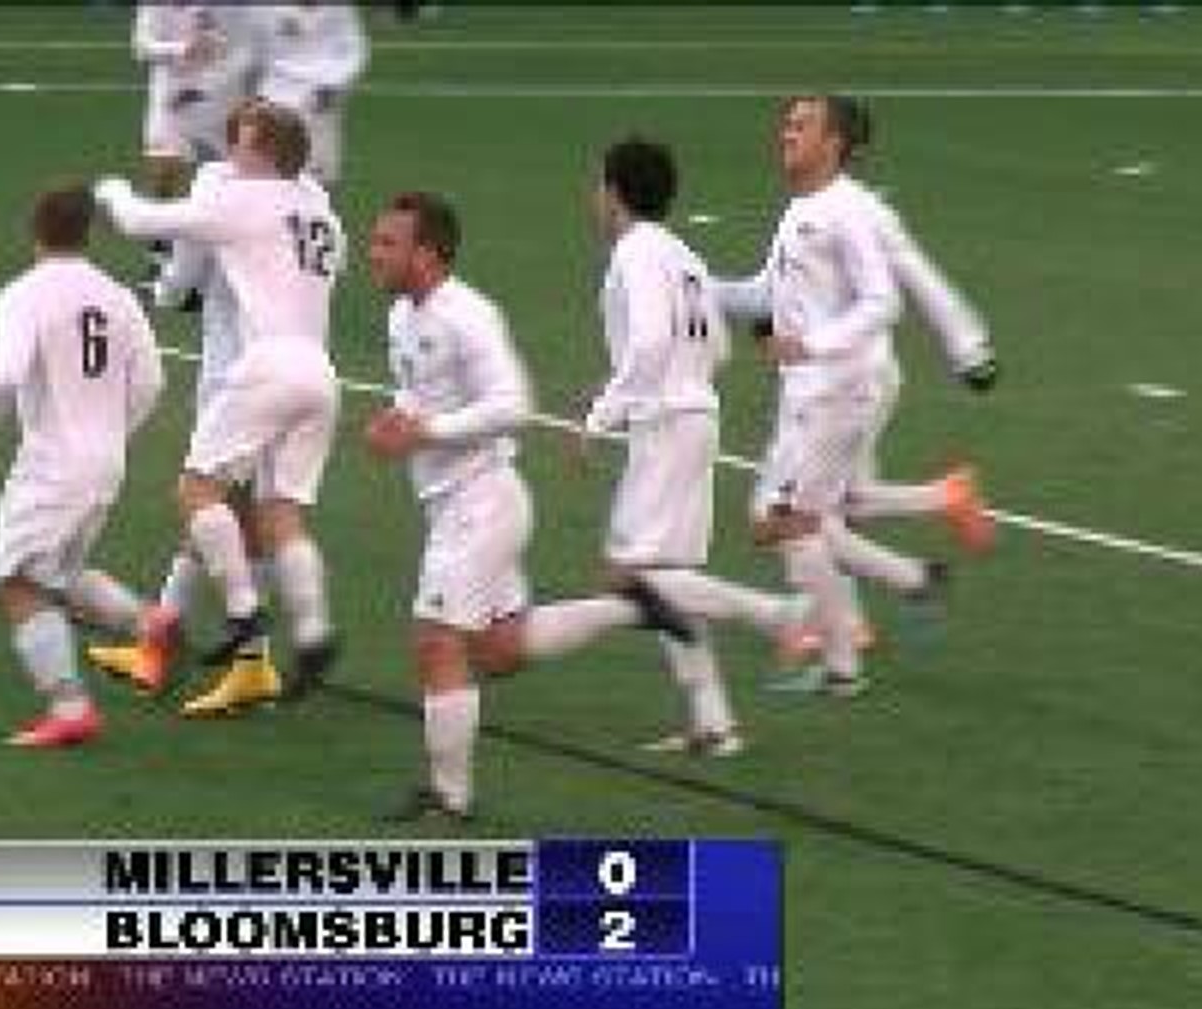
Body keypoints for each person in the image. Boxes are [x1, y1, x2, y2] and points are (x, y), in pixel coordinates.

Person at [363, 190, 694, 821]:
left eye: (387, 243)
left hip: (481, 502)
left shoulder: (469, 315)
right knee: (495, 650)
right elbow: (421, 401)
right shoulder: (401, 318)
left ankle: (449, 796)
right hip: (452, 504)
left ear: (428, 254)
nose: (372, 253)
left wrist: (425, 432)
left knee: (436, 644)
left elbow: (515, 403)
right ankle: (629, 608)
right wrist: (396, 425)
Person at [720, 96, 995, 682]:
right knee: (823, 511)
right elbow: (765, 293)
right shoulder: (801, 209)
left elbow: (893, 292)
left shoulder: (850, 211)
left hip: (841, 386)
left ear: (836, 143)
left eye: (802, 125)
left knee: (789, 518)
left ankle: (838, 640)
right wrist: (698, 288)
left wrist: (969, 348)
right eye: (786, 123)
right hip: (824, 387)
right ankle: (910, 580)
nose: (786, 132)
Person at [94, 100, 343, 716]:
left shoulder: (238, 195)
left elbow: (144, 227)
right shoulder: (323, 213)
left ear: (265, 154)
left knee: (197, 495)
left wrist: (111, 188)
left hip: (256, 370)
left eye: (244, 142)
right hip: (320, 372)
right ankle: (310, 633)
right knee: (276, 514)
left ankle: (244, 622)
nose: (232, 151)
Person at [585, 138, 814, 755]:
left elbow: (652, 342)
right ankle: (713, 721)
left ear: (614, 191)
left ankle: (778, 616)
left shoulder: (634, 253)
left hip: (664, 423)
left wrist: (602, 413)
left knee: (633, 579)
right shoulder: (682, 254)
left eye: (598, 185)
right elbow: (717, 342)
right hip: (693, 416)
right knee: (668, 580)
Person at [0, 184, 165, 748]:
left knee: (17, 582)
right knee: (58, 572)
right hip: (105, 460)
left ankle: (70, 708)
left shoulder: (25, 294)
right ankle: (147, 625)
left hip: (54, 463)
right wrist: (112, 433)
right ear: (87, 233)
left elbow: (7, 373)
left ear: (35, 230)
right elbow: (152, 382)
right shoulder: (118, 296)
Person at [87, 110, 271, 699]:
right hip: (295, 368)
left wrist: (164, 289)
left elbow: (182, 277)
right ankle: (175, 648)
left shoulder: (217, 186)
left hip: (234, 379)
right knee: (242, 514)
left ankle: (248, 649)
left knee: (204, 501)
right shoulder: (306, 194)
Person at [131, 3, 257, 196]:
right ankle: (159, 223)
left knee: (223, 179)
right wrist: (182, 49)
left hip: (220, 95)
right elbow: (141, 47)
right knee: (162, 173)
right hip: (171, 97)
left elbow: (245, 52)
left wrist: (205, 88)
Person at [244, 3, 368, 188]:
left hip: (319, 99)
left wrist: (334, 85)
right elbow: (252, 50)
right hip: (274, 96)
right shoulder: (261, 9)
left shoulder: (338, 8)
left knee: (320, 178)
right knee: (268, 174)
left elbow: (354, 48)